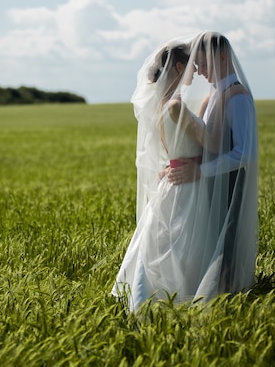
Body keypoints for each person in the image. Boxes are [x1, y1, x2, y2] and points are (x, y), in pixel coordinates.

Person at [111, 37, 221, 312]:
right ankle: (181, 297)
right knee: (184, 246)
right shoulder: (175, 106)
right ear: (178, 67)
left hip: (175, 178)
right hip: (187, 183)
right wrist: (222, 100)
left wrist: (206, 104)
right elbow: (213, 144)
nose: (196, 71)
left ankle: (159, 298)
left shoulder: (163, 104)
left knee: (168, 244)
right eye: (191, 66)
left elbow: (174, 146)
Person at [168, 31, 259, 295]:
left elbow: (246, 153)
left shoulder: (238, 98)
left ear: (222, 57)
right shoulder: (213, 97)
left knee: (225, 247)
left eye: (204, 64)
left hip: (229, 184)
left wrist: (201, 171)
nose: (200, 71)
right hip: (208, 182)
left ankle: (225, 301)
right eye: (197, 65)